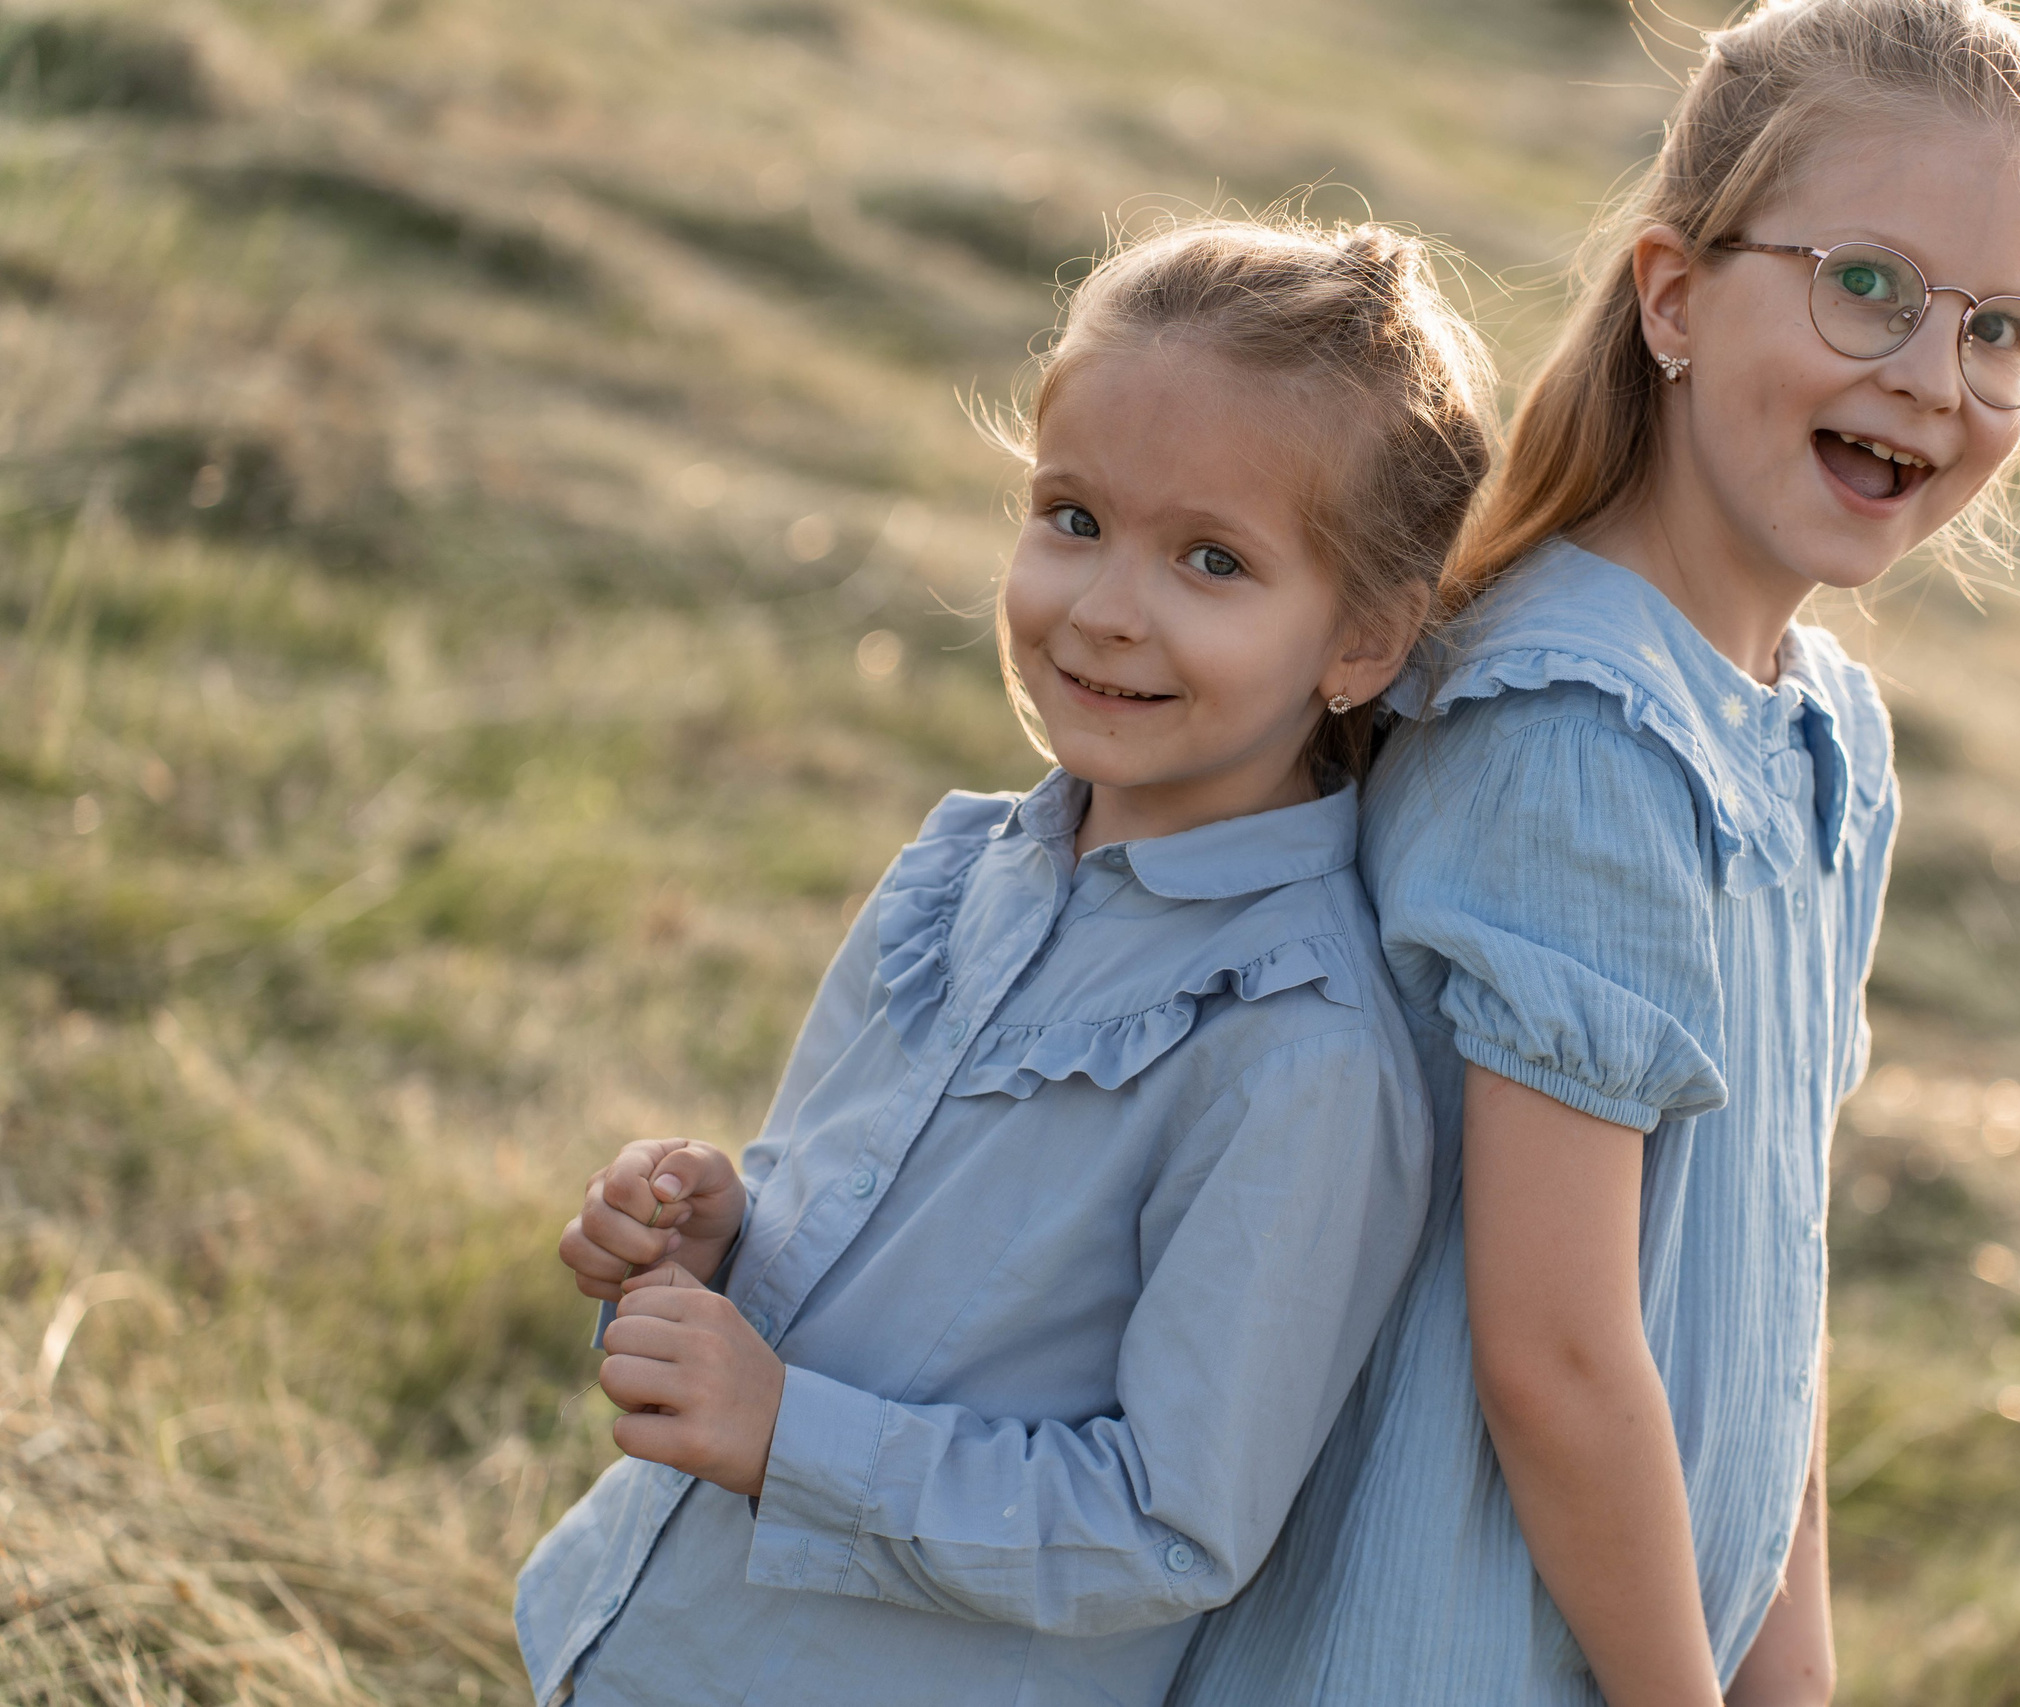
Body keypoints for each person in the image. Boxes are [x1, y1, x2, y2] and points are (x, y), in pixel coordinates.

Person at [1171, 2, 2020, 1703]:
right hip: (1434, 1641)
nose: (1929, 374)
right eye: (1868, 282)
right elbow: (1553, 1356)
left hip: (1630, 1636)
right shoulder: (1582, 734)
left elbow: (1768, 1273)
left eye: (2003, 329)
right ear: (1675, 296)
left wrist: (1792, 1675)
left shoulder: (1814, 732)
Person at [512, 215, 1497, 1707]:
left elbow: (1168, 1524)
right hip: (659, 1643)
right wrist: (713, 1250)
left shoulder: (1297, 1052)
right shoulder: (957, 871)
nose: (1105, 606)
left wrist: (789, 1435)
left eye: (1213, 560)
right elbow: (853, 1252)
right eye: (1074, 517)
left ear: (1360, 642)